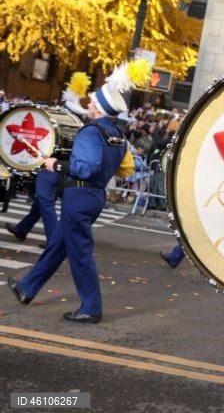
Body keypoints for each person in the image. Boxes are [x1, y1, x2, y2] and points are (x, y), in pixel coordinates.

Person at [6, 61, 148, 323]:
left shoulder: (91, 132)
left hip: (79, 196)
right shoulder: (117, 135)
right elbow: (123, 168)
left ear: (99, 109)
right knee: (58, 245)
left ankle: (91, 307)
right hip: (95, 196)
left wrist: (55, 164)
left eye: (93, 103)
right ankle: (28, 288)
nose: (90, 105)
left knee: (80, 254)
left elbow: (86, 167)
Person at [4, 72, 91, 249]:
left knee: (44, 199)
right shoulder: (81, 124)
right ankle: (23, 228)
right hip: (63, 166)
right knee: (41, 200)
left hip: (52, 165)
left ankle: (54, 240)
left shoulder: (66, 123)